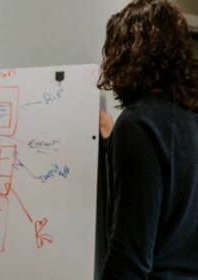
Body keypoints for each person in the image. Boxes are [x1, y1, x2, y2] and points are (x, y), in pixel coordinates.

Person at [97, 0, 198, 279]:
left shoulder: (138, 125)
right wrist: (111, 141)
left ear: (127, 55)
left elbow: (129, 259)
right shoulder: (190, 118)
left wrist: (124, 133)